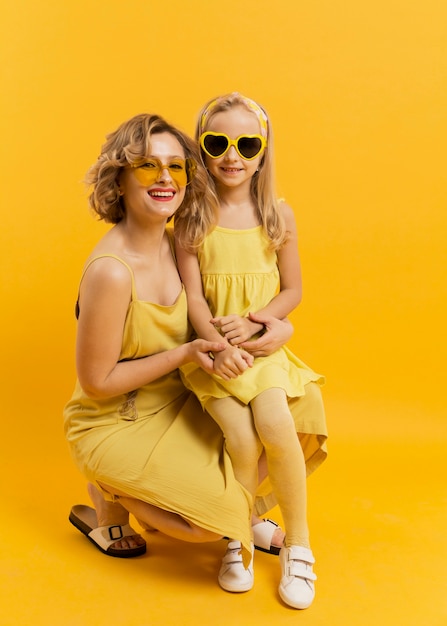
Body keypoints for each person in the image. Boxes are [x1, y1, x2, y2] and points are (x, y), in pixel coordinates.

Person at [63, 113, 293, 577]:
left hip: (182, 401)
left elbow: (226, 312)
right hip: (116, 418)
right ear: (120, 179)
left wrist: (277, 328)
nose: (165, 178)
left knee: (280, 427)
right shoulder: (111, 270)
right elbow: (97, 382)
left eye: (177, 166)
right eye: (148, 166)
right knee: (203, 529)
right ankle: (106, 494)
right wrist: (186, 353)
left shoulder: (179, 244)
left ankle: (235, 511)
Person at [174, 93, 328, 609]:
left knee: (275, 424)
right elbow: (194, 297)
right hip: (214, 354)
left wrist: (259, 323)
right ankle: (236, 535)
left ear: (263, 152)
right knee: (240, 439)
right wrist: (218, 346)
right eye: (217, 143)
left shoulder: (276, 213)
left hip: (261, 350)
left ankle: (299, 543)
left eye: (246, 143)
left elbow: (292, 290)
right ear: (201, 150)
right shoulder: (191, 216)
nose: (231, 155)